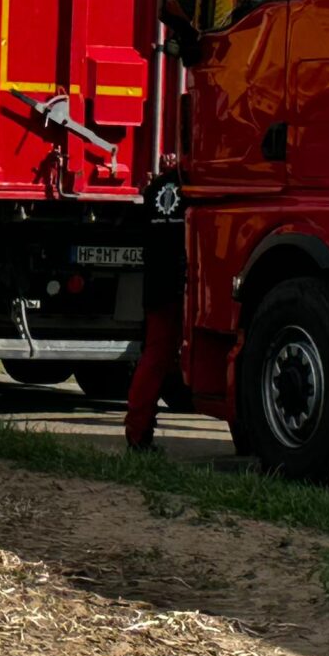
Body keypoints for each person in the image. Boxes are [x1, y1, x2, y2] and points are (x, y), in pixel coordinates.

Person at [124, 162, 186, 453]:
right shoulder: (198, 187)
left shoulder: (156, 188)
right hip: (188, 283)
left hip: (157, 285)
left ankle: (137, 432)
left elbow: (141, 233)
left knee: (154, 357)